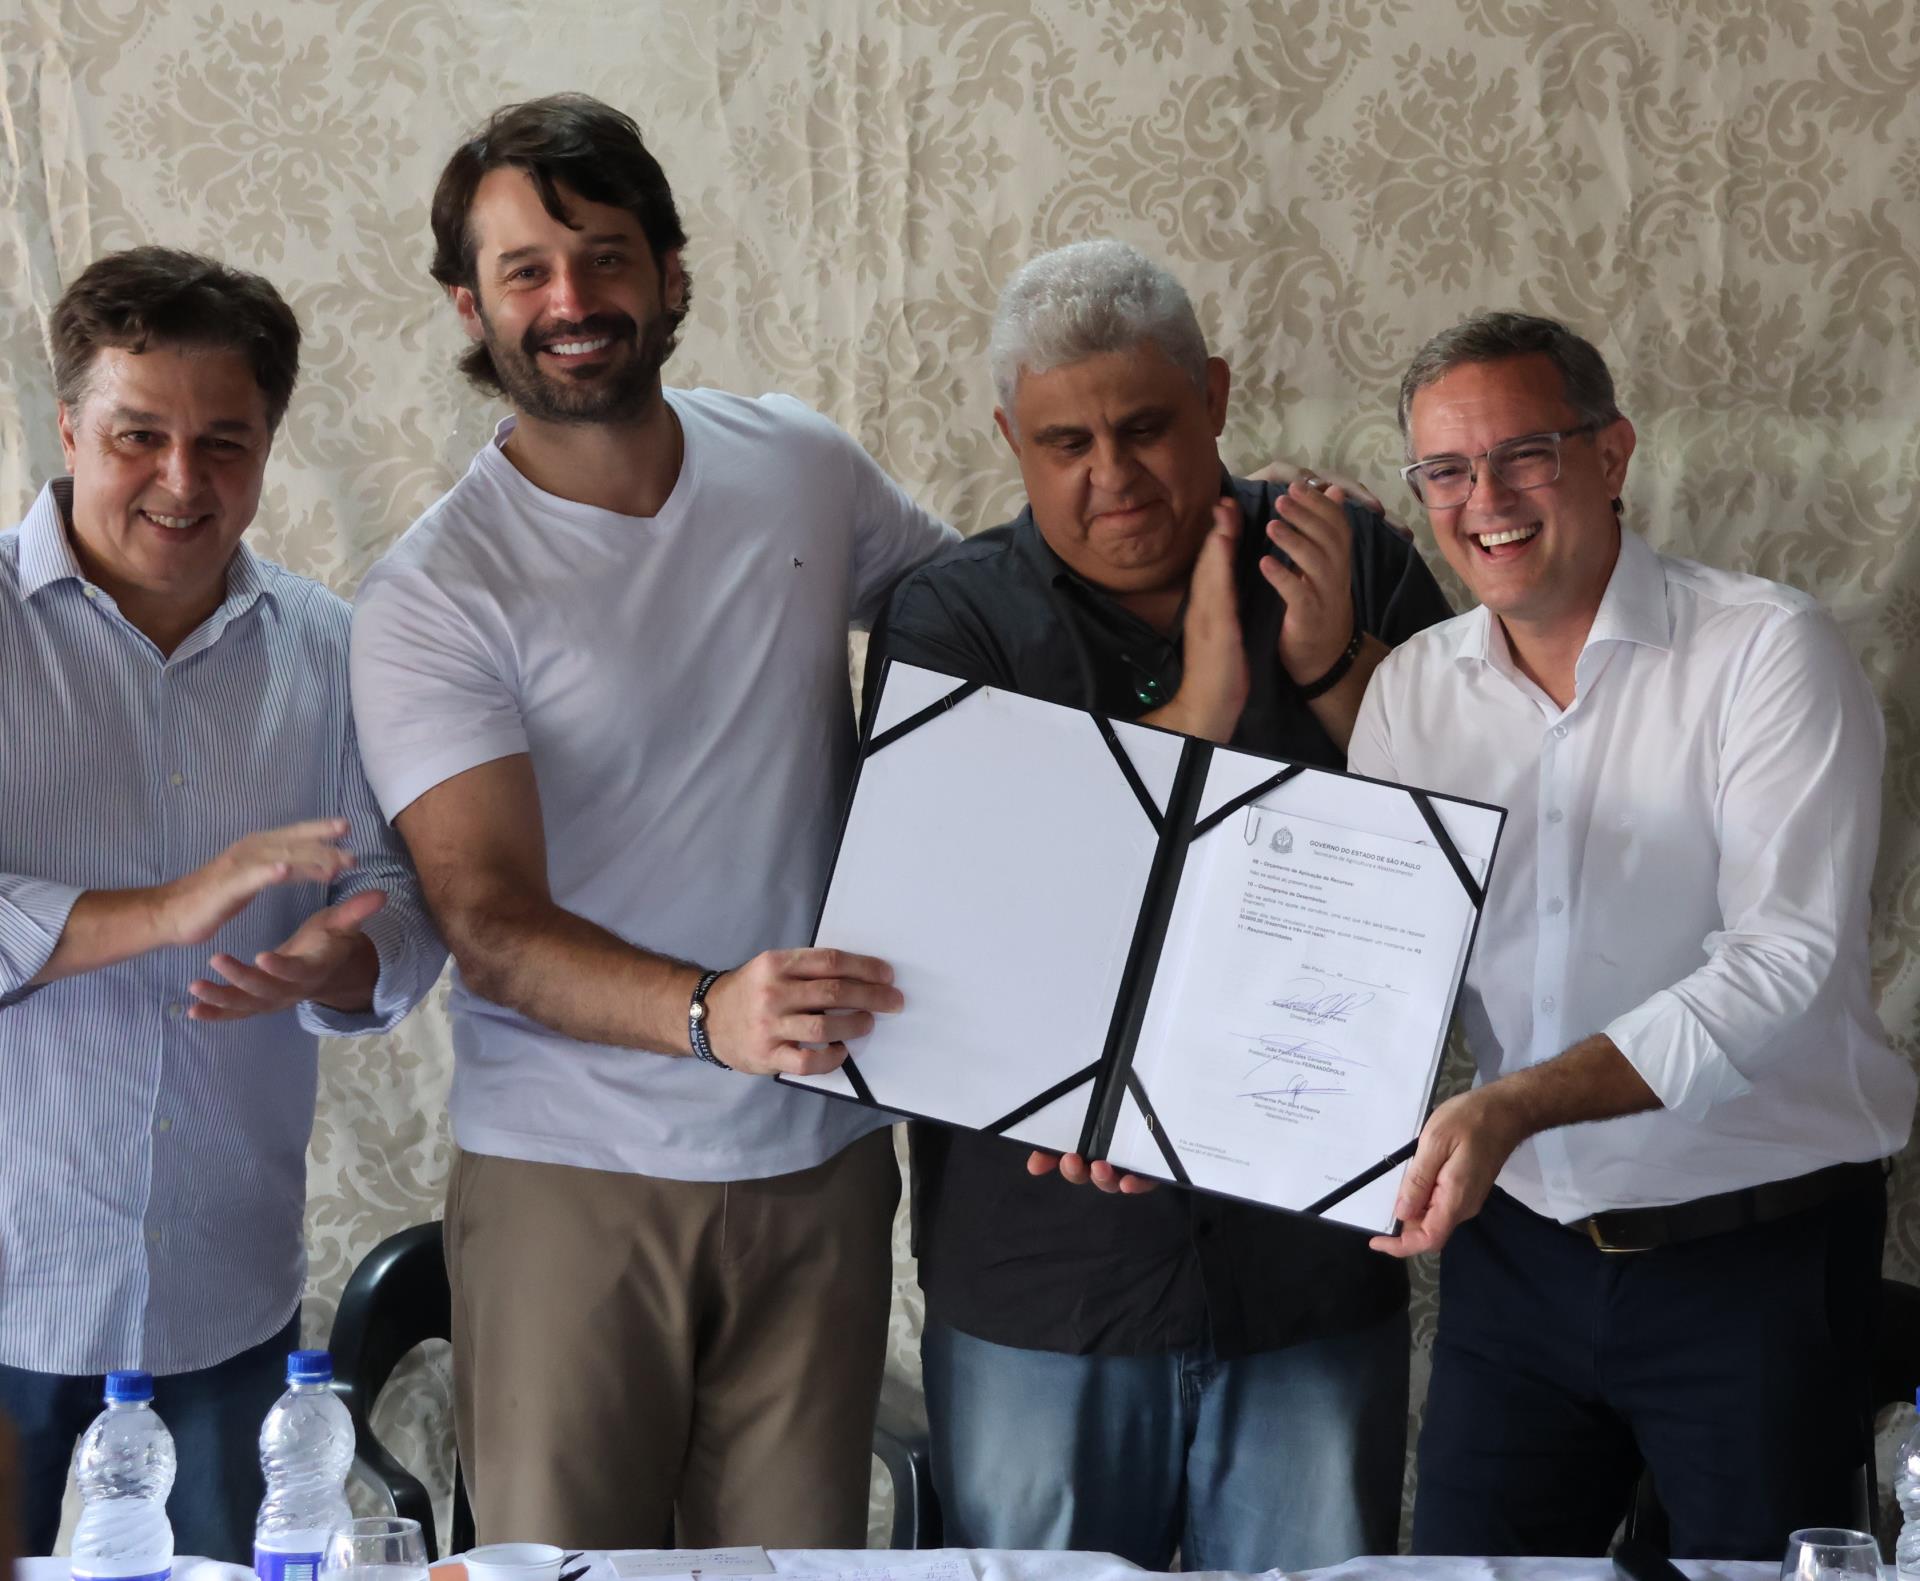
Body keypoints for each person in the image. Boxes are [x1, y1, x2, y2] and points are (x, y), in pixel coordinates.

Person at [349, 94, 957, 1548]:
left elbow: (988, 636)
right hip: (570, 1178)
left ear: (671, 273)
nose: (572, 301)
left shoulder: (801, 464)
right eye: (526, 271)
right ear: (471, 307)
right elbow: (488, 922)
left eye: (606, 257)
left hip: (820, 1164)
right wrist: (707, 1013)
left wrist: (1222, 546)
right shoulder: (435, 592)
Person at [866, 238, 1454, 1570]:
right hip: (1046, 1277)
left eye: (1144, 428)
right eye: (1065, 442)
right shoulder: (951, 620)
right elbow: (970, 923)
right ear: (1009, 440)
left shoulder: (1346, 556)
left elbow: (1465, 858)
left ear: (1216, 397)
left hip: (1304, 1266)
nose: (1112, 475)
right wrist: (1203, 699)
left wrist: (1333, 669)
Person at [1345, 310, 1916, 1558]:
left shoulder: (1767, 652)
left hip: (1755, 1261)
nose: (1485, 500)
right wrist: (1184, 1130)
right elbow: (1369, 970)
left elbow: (1784, 961)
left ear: (1612, 454)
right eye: (1445, 469)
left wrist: (1518, 1104)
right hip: (1517, 1267)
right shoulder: (1409, 695)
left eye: (1524, 454)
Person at [0, 247, 444, 1561]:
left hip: (222, 1280)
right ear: (69, 426)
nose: (183, 481)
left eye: (224, 443)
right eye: (138, 436)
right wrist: (173, 906)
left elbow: (395, 889)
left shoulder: (329, 647)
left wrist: (336, 957)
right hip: (11, 1273)